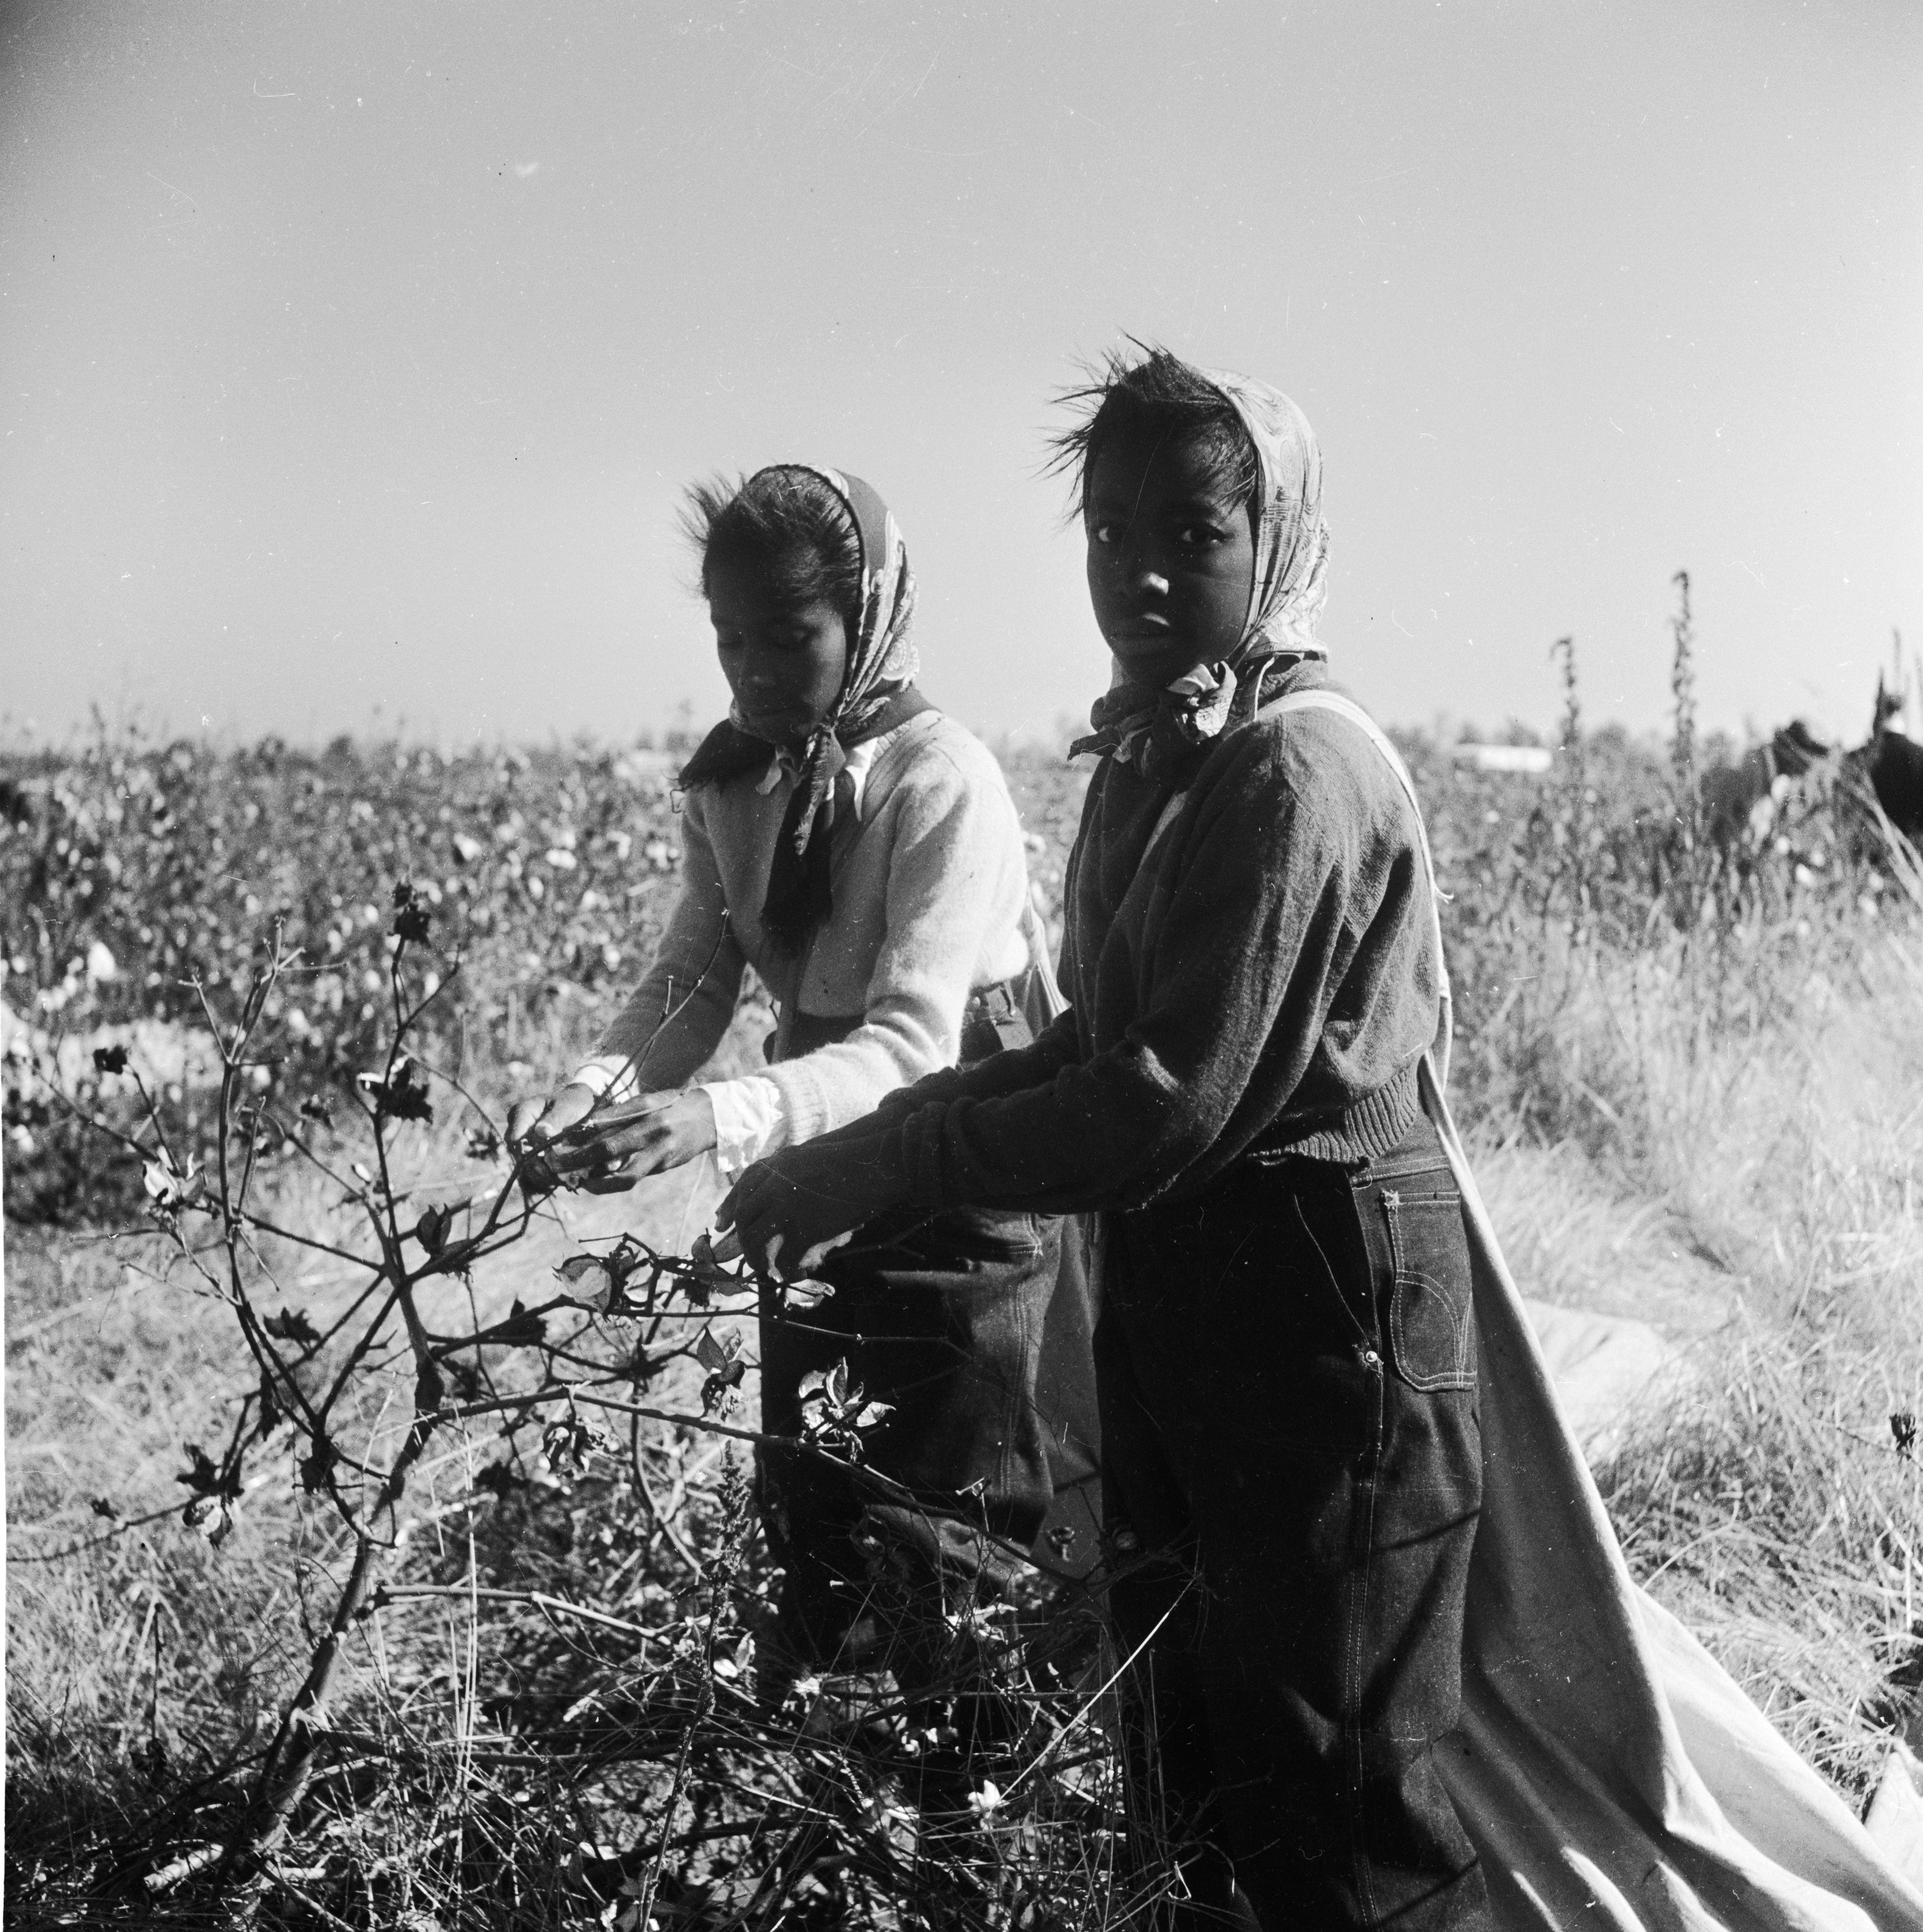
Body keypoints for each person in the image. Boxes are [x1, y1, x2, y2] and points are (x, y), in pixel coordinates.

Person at [717, 353, 1491, 1929]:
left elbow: (1160, 1097)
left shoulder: (1295, 765)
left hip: (1328, 1309)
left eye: (1190, 532)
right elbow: (1082, 1035)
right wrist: (896, 1125)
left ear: (1271, 540)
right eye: (1106, 527)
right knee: (1193, 1765)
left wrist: (882, 1162)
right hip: (1208, 1298)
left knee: (1336, 1795)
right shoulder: (1162, 752)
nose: (1136, 569)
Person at [509, 463, 1083, 1742]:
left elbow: (911, 1043)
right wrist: (584, 1100)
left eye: (791, 634)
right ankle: (809, 1807)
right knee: (813, 1497)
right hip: (810, 1158)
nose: (757, 669)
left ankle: (964, 1836)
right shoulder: (737, 782)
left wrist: (711, 1121)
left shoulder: (944, 784)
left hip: (954, 1169)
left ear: (866, 616)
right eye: (730, 638)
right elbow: (693, 974)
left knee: (952, 1523)